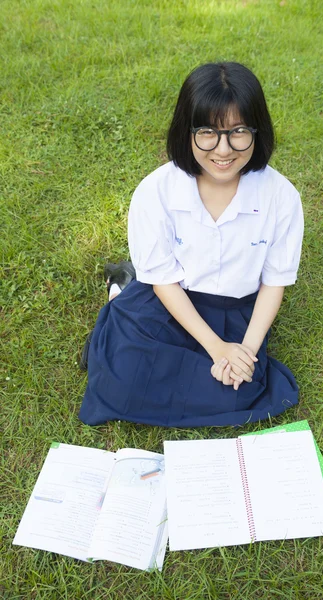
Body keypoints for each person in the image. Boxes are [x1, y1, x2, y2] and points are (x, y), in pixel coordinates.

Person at [79, 62, 304, 428]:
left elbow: (273, 282)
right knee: (122, 385)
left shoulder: (282, 197)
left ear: (257, 132)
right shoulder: (155, 191)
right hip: (168, 300)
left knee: (241, 392)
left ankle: (129, 292)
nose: (223, 150)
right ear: (187, 131)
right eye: (208, 133)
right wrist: (216, 349)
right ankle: (124, 289)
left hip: (235, 311)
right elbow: (165, 283)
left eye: (238, 132)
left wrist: (244, 352)